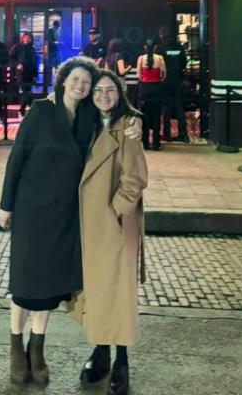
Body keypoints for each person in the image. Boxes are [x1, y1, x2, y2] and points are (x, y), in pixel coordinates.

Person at [0, 57, 100, 386]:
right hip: (32, 208)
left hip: (65, 212)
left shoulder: (89, 116)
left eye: (87, 82)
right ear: (64, 79)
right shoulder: (41, 110)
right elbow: (17, 157)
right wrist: (6, 204)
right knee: (26, 280)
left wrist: (135, 124)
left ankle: (37, 348)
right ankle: (16, 347)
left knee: (49, 285)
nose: (81, 86)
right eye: (76, 79)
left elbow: (119, 117)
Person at [73, 69, 147, 395]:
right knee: (97, 290)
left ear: (120, 94)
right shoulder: (84, 125)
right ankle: (101, 351)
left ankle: (122, 359)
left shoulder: (127, 127)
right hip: (89, 224)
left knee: (119, 291)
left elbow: (136, 177)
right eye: (98, 90)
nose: (104, 95)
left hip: (115, 223)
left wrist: (118, 210)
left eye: (110, 90)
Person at [156, 25, 188, 143]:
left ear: (161, 35)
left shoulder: (160, 48)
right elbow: (184, 62)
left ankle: (167, 134)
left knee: (166, 109)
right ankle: (183, 135)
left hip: (165, 81)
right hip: (177, 80)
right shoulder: (179, 46)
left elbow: (158, 65)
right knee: (179, 108)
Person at [136, 39, 166, 151]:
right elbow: (163, 74)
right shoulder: (160, 58)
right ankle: (156, 144)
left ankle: (145, 144)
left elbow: (139, 75)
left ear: (145, 47)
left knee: (144, 117)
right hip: (156, 89)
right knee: (156, 117)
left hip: (144, 90)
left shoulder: (140, 58)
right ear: (155, 48)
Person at [11, 31, 38, 115]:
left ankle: (28, 109)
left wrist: (34, 76)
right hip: (20, 73)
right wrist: (17, 64)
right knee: (25, 91)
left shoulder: (32, 49)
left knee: (28, 91)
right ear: (22, 38)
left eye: (29, 38)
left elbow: (34, 63)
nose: (27, 39)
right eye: (26, 37)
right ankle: (26, 109)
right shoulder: (16, 47)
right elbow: (11, 58)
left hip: (29, 73)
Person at [43, 18, 61, 88]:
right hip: (49, 52)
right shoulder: (50, 32)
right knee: (49, 67)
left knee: (55, 65)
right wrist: (55, 42)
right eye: (56, 27)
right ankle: (48, 81)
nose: (57, 29)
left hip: (53, 52)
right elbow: (48, 41)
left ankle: (53, 80)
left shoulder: (53, 32)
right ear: (54, 26)